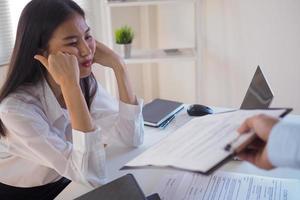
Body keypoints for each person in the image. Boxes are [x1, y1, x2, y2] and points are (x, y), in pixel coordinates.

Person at [0, 0, 144, 199]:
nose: (86, 50)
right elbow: (92, 174)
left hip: (70, 177)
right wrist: (70, 87)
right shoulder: (15, 109)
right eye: (72, 42)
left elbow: (131, 138)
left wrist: (119, 65)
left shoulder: (85, 83)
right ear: (42, 53)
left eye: (87, 36)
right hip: (26, 193)